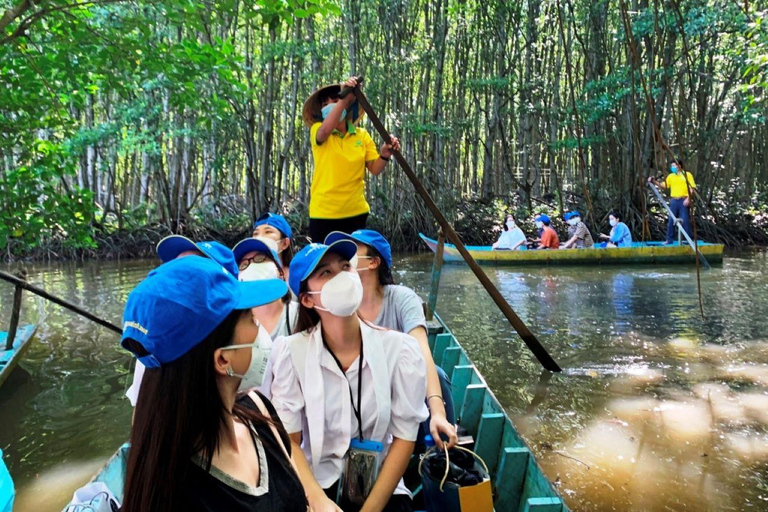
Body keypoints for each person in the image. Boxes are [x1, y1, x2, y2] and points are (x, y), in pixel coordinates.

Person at [120, 256, 307, 511]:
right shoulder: (181, 494)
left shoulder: (258, 410)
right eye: (251, 319)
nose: (260, 327)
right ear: (222, 359)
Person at [270, 241, 428, 512]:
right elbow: (290, 440)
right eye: (326, 273)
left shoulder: (399, 350)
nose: (342, 276)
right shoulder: (291, 353)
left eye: (345, 267)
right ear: (307, 299)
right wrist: (319, 500)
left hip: (380, 483)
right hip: (315, 481)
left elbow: (404, 439)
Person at [325, 229, 458, 450]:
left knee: (438, 375)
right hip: (358, 389)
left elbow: (421, 351)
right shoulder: (338, 303)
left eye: (352, 253)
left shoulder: (401, 297)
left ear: (373, 262)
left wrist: (437, 411)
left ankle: (440, 453)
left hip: (400, 385)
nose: (342, 261)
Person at [125, 236, 240, 407]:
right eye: (176, 265)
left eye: (191, 266)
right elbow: (141, 415)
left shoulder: (244, 346)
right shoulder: (154, 342)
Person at [302, 76, 401, 242]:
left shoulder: (361, 136)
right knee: (323, 264)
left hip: (355, 212)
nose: (330, 106)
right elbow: (324, 133)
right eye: (325, 105)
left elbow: (375, 169)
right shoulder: (317, 130)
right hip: (324, 213)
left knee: (352, 264)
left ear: (348, 106)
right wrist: (343, 100)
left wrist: (385, 154)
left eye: (333, 101)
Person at [233, 236, 297, 339]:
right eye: (244, 264)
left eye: (260, 259)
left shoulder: (299, 316)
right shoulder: (237, 326)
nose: (252, 266)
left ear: (280, 272)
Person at [647, 158, 696, 244]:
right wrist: (654, 181)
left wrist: (688, 198)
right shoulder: (671, 176)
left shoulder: (687, 175)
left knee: (685, 220)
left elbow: (692, 188)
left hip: (683, 200)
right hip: (674, 200)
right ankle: (669, 239)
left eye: (674, 165)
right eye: (672, 166)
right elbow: (664, 186)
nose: (672, 167)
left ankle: (689, 239)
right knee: (671, 220)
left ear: (679, 166)